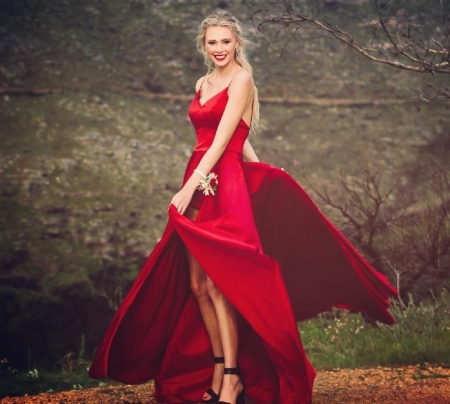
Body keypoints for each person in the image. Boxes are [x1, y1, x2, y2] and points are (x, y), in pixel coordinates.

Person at [89, 9, 397, 404]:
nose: (219, 48)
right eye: (212, 42)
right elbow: (227, 133)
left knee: (221, 281)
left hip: (220, 180)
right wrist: (246, 169)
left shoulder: (242, 79)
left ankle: (232, 378)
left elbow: (223, 141)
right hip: (201, 175)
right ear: (204, 45)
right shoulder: (203, 81)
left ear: (238, 44)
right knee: (198, 284)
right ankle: (219, 369)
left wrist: (224, 181)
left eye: (226, 41)